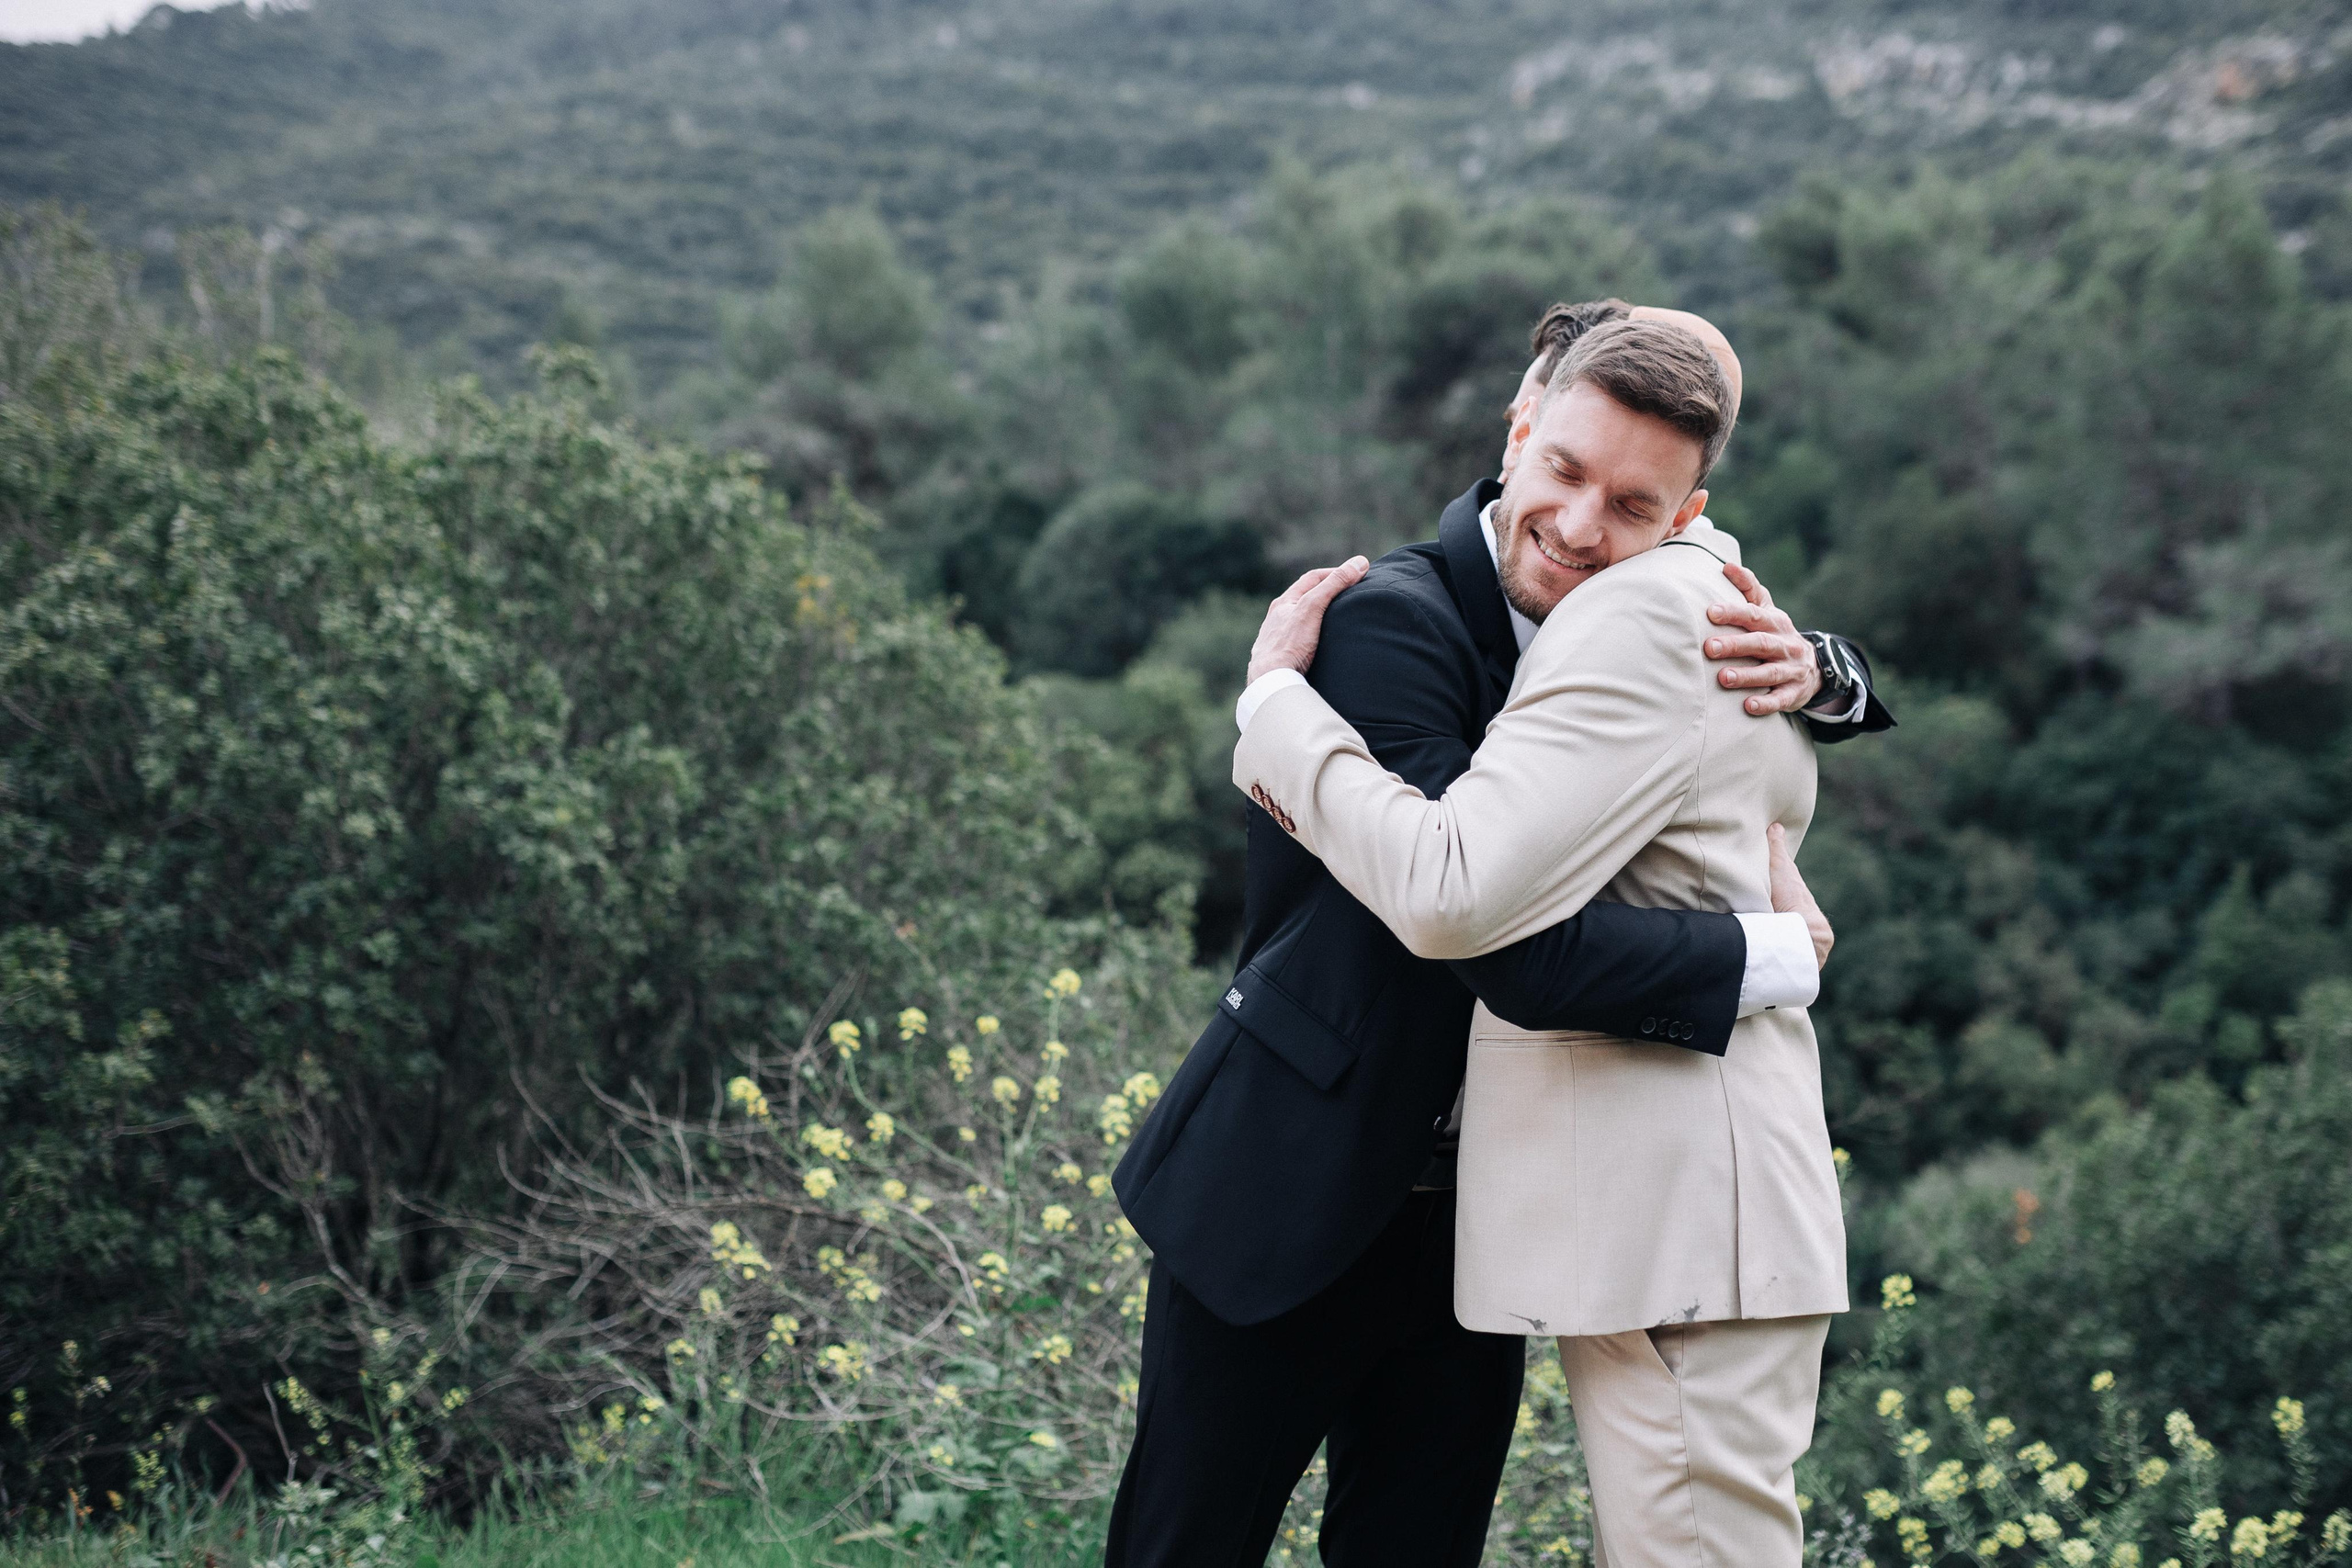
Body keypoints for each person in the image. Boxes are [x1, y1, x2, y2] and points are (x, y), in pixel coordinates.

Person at [1102, 304, 1890, 1568]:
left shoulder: (1647, 620)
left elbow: (1747, 642)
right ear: (1519, 434)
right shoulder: (1388, 625)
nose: (1579, 526)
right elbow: (1487, 938)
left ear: (1682, 519)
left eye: (1630, 506)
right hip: (1291, 1177)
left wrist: (1827, 673)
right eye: (1564, 472)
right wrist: (1768, 958)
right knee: (1185, 1549)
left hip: (1483, 1213)